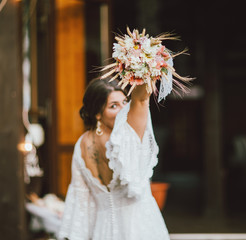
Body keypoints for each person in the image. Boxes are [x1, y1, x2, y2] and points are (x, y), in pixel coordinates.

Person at [58, 78, 170, 240]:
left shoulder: (81, 144)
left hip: (103, 231)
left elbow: (80, 200)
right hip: (138, 228)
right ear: (97, 113)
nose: (123, 110)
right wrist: (144, 64)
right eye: (113, 106)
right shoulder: (125, 140)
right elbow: (141, 98)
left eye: (125, 102)